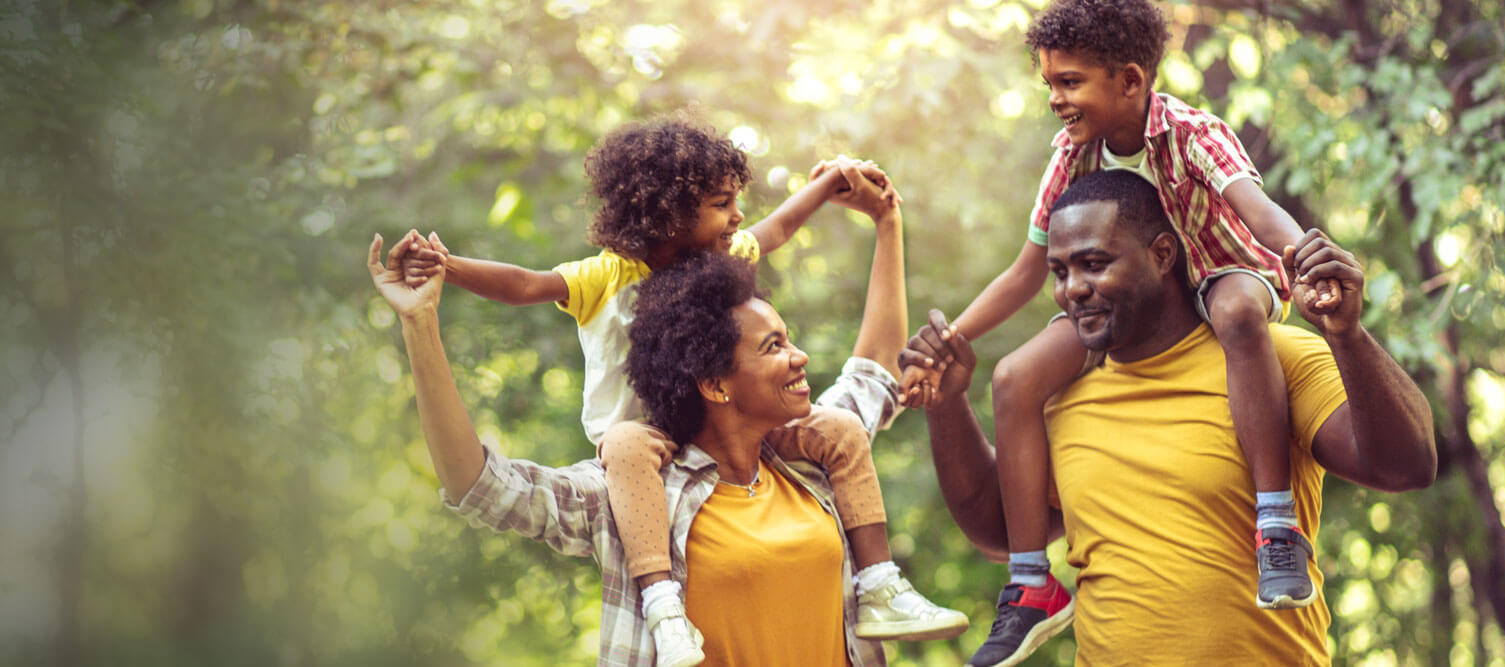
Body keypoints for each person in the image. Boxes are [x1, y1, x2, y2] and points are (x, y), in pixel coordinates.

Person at [404, 113, 962, 665]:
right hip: (633, 447)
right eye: (773, 346)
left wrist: (884, 218)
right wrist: (424, 314)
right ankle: (663, 607)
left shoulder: (814, 457)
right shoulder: (633, 497)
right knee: (626, 443)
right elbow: (480, 484)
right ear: (715, 381)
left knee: (842, 423)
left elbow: (873, 374)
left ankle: (882, 586)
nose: (801, 358)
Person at [895, 0, 1344, 659]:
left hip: (1222, 273)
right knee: (1017, 376)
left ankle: (1275, 524)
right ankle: (1029, 583)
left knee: (1240, 313)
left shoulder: (1194, 132)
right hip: (1129, 298)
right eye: (1048, 83)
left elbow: (1256, 210)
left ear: (1130, 81)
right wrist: (948, 338)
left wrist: (1307, 254)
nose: (1055, 98)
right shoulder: (1072, 154)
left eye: (1069, 82)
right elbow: (1026, 272)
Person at [901, 170, 1436, 665]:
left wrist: (1346, 335)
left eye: (1095, 263)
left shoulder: (1269, 360)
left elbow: (1405, 466)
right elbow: (1000, 533)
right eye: (1059, 272)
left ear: (1161, 255)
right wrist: (947, 405)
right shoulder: (1058, 398)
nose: (1072, 289)